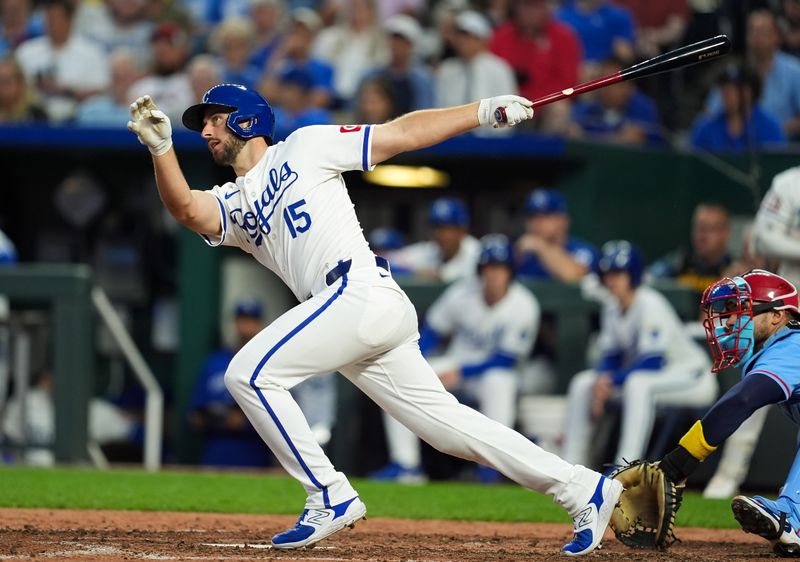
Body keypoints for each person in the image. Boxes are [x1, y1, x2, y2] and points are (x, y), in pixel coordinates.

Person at [126, 81, 622, 555]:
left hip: (358, 291)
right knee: (449, 431)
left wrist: (481, 111)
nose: (207, 131)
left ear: (247, 119)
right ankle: (584, 490)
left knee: (248, 374)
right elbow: (189, 210)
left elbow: (398, 134)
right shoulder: (234, 202)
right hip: (351, 313)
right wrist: (161, 150)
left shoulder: (303, 146)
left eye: (215, 119)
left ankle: (328, 494)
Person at [372, 234, 541, 483]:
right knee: (399, 375)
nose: (493, 274)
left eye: (500, 268)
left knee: (498, 381)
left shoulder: (524, 304)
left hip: (491, 375)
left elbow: (506, 360)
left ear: (510, 272)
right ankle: (406, 465)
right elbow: (432, 332)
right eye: (488, 268)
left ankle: (492, 469)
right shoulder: (462, 293)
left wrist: (462, 372)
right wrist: (416, 360)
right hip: (456, 366)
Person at [657, 269, 800, 557]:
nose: (732, 319)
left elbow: (742, 400)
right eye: (732, 311)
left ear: (777, 316)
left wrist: (680, 461)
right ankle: (793, 517)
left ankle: (792, 516)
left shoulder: (793, 345)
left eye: (742, 310)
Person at [562, 241, 717, 467]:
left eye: (618, 273)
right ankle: (569, 465)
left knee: (637, 384)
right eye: (607, 273)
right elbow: (612, 354)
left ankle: (624, 468)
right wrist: (601, 382)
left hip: (693, 377)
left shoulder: (649, 303)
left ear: (632, 274)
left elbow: (652, 361)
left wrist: (611, 381)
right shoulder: (612, 307)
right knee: (582, 383)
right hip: (658, 377)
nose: (611, 279)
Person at [188, 299, 273, 468]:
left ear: (260, 324)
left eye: (251, 320)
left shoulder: (269, 362)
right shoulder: (215, 362)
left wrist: (246, 421)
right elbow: (194, 416)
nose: (246, 326)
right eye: (242, 320)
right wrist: (213, 418)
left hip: (253, 453)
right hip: (216, 449)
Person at [490, 0, 581, 131]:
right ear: (516, 8)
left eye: (536, 7)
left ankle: (548, 151)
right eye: (526, 6)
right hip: (509, 102)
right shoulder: (502, 36)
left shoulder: (564, 37)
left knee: (560, 108)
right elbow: (493, 75)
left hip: (545, 104)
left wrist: (534, 101)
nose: (530, 13)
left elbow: (568, 82)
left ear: (547, 9)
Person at [14, 0, 109, 122]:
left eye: (56, 18)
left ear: (69, 21)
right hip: (31, 120)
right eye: (48, 18)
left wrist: (66, 91)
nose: (51, 23)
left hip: (78, 121)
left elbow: (101, 92)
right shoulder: (26, 51)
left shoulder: (91, 53)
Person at [568, 57, 663, 147]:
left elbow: (657, 145)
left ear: (629, 87)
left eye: (613, 82)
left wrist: (586, 138)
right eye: (601, 80)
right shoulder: (585, 109)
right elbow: (573, 131)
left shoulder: (644, 109)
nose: (606, 88)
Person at [690, 64, 786, 153]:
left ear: (749, 92)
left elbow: (779, 164)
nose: (727, 95)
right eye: (724, 89)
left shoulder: (770, 128)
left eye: (734, 89)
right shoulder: (706, 127)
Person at [435, 11, 518, 114]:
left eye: (468, 36)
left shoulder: (499, 69)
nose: (462, 41)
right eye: (459, 36)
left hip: (489, 129)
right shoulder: (447, 69)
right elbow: (438, 108)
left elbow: (509, 111)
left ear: (482, 40)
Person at [648, 202, 733, 299]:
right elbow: (648, 279)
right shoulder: (678, 262)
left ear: (725, 233)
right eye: (699, 228)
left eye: (710, 229)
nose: (702, 236)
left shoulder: (734, 270)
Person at [515, 188, 597, 282]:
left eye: (544, 217)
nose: (536, 223)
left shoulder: (583, 251)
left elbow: (575, 278)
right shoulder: (523, 255)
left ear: (563, 221)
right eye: (532, 217)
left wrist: (541, 246)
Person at [391, 196, 481, 282]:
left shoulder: (478, 253)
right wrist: (413, 273)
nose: (439, 234)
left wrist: (438, 275)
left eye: (446, 228)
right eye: (436, 227)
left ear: (462, 230)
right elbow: (390, 261)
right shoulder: (432, 249)